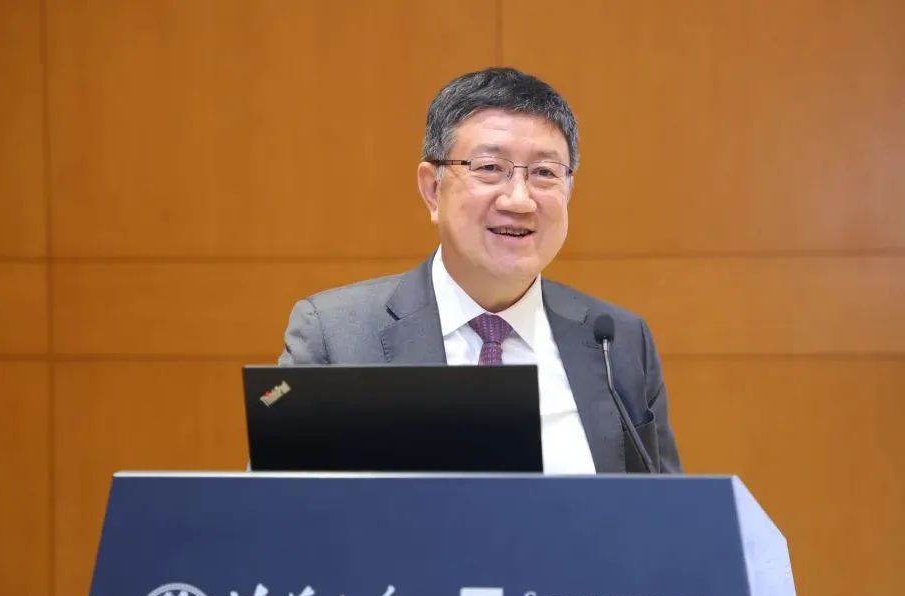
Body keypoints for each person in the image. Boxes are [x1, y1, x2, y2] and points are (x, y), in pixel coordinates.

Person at [279, 67, 681, 475]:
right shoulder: (336, 336)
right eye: (490, 168)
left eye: (544, 173)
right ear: (432, 189)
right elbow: (277, 507)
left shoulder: (619, 341)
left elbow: (666, 506)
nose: (519, 200)